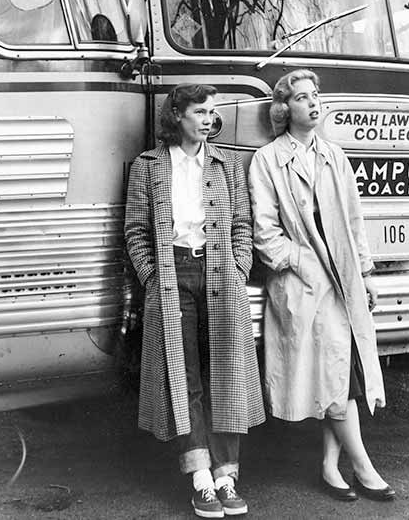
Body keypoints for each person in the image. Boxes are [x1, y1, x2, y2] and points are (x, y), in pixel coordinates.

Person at [248, 69, 395, 502]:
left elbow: (353, 221)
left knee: (341, 371)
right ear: (284, 109)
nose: (314, 103)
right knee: (335, 374)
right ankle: (364, 467)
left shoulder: (335, 155)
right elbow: (264, 231)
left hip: (342, 280)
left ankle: (331, 467)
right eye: (302, 97)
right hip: (303, 284)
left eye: (316, 95)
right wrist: (299, 261)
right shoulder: (268, 160)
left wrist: (365, 274)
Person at [124, 84, 265, 518]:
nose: (208, 119)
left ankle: (227, 476)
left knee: (226, 373)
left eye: (212, 112)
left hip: (221, 272)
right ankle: (201, 479)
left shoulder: (227, 164)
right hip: (173, 275)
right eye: (200, 112)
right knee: (184, 376)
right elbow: (134, 232)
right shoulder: (149, 166)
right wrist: (153, 277)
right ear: (177, 115)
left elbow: (243, 223)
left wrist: (238, 266)